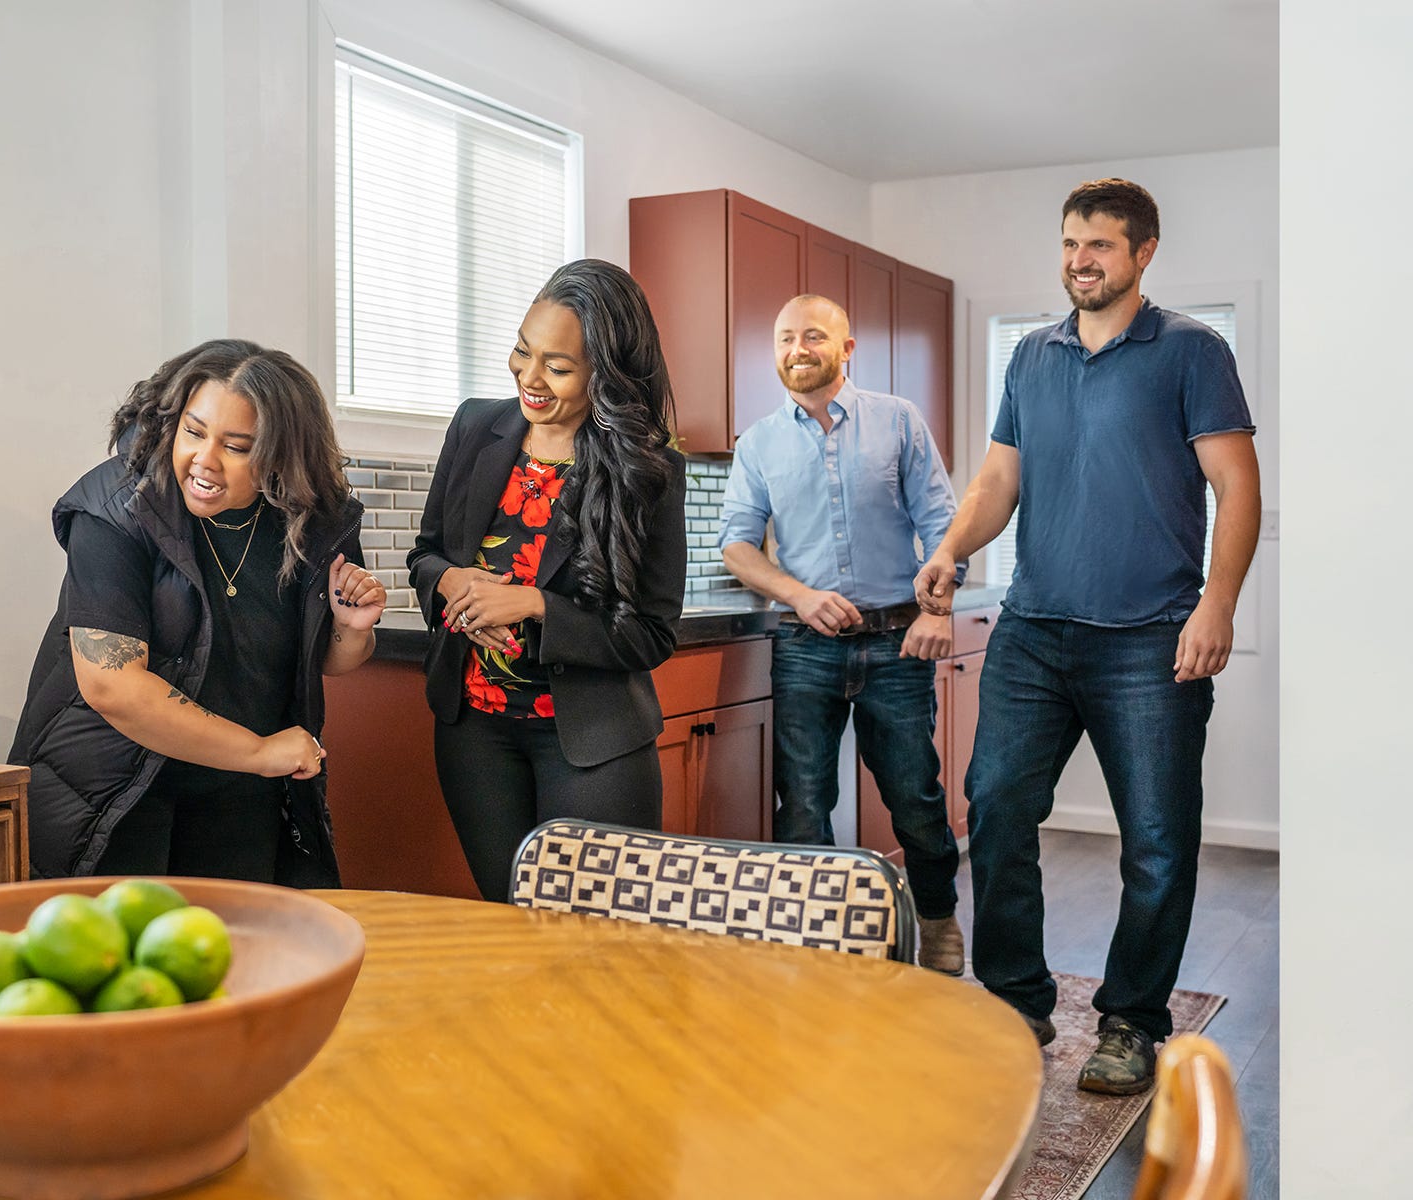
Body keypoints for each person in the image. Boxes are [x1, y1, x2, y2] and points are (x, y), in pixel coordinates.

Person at [914, 179, 1260, 1094]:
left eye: (1100, 245)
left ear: (1144, 252)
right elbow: (998, 482)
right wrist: (952, 547)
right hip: (1034, 632)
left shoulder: (1191, 350)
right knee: (993, 809)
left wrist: (1216, 604)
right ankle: (1017, 1001)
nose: (1080, 261)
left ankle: (1131, 1021)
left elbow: (1237, 484)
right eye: (1071, 243)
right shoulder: (1031, 356)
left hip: (1150, 640)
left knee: (1155, 838)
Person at [9, 339, 385, 885]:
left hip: (239, 796)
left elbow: (328, 659)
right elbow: (111, 685)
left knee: (240, 961)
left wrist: (351, 631)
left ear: (281, 454)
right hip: (113, 792)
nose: (204, 461)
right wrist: (259, 751)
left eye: (237, 446)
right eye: (193, 431)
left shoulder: (309, 521)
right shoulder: (116, 505)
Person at [408, 259, 687, 903]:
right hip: (474, 731)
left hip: (592, 744)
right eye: (521, 351)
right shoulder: (476, 426)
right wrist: (456, 587)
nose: (529, 378)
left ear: (606, 374)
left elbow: (650, 634)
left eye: (557, 367)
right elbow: (426, 556)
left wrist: (533, 603)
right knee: (507, 928)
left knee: (595, 945)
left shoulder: (649, 469)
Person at [717, 293, 965, 974]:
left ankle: (939, 924)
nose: (798, 349)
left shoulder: (898, 422)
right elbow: (736, 545)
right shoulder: (760, 442)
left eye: (815, 337)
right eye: (786, 338)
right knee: (802, 805)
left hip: (896, 643)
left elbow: (943, 527)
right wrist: (798, 594)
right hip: (803, 648)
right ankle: (817, 948)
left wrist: (938, 612)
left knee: (914, 799)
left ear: (846, 348)